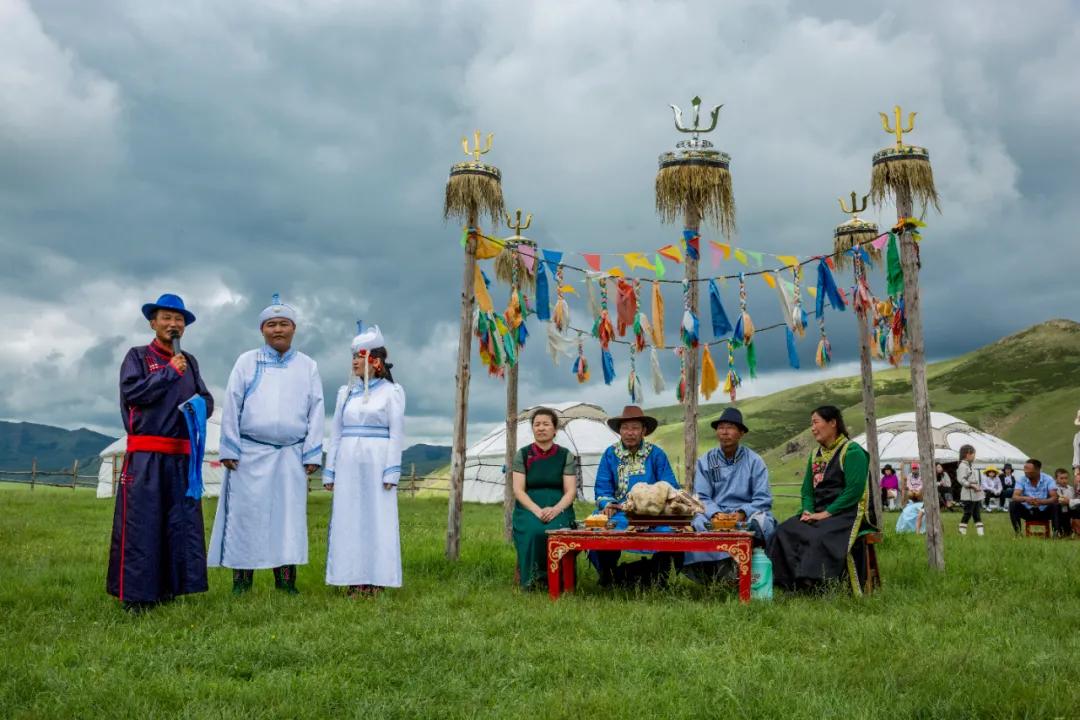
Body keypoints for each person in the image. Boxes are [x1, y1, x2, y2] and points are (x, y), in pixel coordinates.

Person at [207, 296, 325, 595]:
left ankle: (286, 582)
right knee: (246, 516)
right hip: (250, 454)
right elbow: (232, 403)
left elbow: (316, 408)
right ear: (262, 329)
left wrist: (312, 451)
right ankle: (242, 582)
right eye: (271, 324)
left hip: (290, 454)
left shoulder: (307, 366)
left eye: (284, 324)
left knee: (287, 518)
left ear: (294, 328)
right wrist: (230, 447)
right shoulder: (246, 362)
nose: (278, 330)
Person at [107, 294, 214, 611]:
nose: (173, 324)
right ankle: (137, 597)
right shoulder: (138, 356)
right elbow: (132, 393)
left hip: (180, 457)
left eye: (179, 319)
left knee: (176, 524)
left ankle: (169, 589)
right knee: (143, 525)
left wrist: (198, 406)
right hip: (147, 456)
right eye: (167, 317)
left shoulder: (190, 361)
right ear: (153, 323)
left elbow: (206, 400)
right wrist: (168, 372)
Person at [324, 325, 405, 597]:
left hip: (377, 463)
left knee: (377, 519)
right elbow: (336, 432)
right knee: (349, 518)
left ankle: (376, 578)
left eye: (359, 356)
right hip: (348, 463)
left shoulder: (392, 392)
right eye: (353, 357)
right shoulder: (345, 393)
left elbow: (396, 434)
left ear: (376, 361)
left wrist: (391, 471)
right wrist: (330, 470)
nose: (354, 362)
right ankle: (352, 578)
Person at [768, 406, 875, 594]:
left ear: (832, 423)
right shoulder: (815, 455)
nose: (812, 428)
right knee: (783, 531)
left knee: (818, 536)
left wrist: (825, 514)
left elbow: (853, 491)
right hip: (818, 511)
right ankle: (789, 583)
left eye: (816, 422)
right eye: (811, 424)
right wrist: (808, 511)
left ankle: (818, 585)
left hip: (846, 513)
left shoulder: (852, 452)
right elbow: (807, 490)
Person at [683, 408, 777, 582]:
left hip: (746, 515)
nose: (724, 432)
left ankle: (749, 569)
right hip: (715, 515)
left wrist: (741, 513)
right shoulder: (706, 461)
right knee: (697, 522)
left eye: (730, 427)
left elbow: (763, 498)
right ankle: (714, 573)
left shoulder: (755, 461)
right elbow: (702, 497)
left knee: (762, 522)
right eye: (721, 427)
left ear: (741, 433)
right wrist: (716, 515)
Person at [591, 405, 680, 588]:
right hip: (620, 513)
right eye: (625, 428)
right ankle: (608, 575)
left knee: (671, 531)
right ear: (619, 431)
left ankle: (658, 576)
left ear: (643, 431)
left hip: (653, 515)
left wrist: (653, 509)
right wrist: (608, 504)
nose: (629, 433)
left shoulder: (656, 454)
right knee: (599, 530)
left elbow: (670, 487)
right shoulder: (610, 454)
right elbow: (602, 487)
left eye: (635, 428)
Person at [511, 407, 578, 590]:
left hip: (559, 507)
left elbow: (570, 491)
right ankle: (533, 580)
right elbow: (518, 490)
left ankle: (561, 580)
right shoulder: (523, 454)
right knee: (534, 532)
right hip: (529, 507)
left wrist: (555, 510)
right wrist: (537, 511)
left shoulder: (565, 455)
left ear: (555, 429)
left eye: (546, 424)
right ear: (533, 428)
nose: (541, 428)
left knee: (558, 533)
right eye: (537, 424)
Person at [1008, 459, 1060, 535]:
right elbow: (1015, 496)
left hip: (1044, 511)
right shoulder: (1021, 479)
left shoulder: (1048, 479)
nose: (1025, 471)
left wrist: (1041, 502)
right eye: (1025, 469)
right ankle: (1018, 533)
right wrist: (1026, 499)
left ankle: (1056, 534)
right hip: (1028, 511)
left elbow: (1054, 497)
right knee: (1013, 504)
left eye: (1028, 469)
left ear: (1037, 470)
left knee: (1056, 505)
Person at [956, 445, 984, 536]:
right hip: (968, 495)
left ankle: (981, 534)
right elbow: (961, 480)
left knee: (977, 514)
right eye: (973, 454)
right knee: (967, 513)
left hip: (975, 495)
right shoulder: (962, 466)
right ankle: (961, 533)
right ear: (967, 454)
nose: (974, 456)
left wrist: (977, 487)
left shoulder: (970, 465)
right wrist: (972, 485)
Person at [1051, 468, 1075, 538]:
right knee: (1058, 510)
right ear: (1056, 479)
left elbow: (1072, 499)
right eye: (1061, 478)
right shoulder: (1055, 488)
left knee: (1067, 514)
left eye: (1066, 478)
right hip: (1059, 508)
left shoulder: (1070, 489)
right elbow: (1056, 498)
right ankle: (1057, 531)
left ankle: (1068, 532)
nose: (1064, 480)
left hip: (1069, 508)